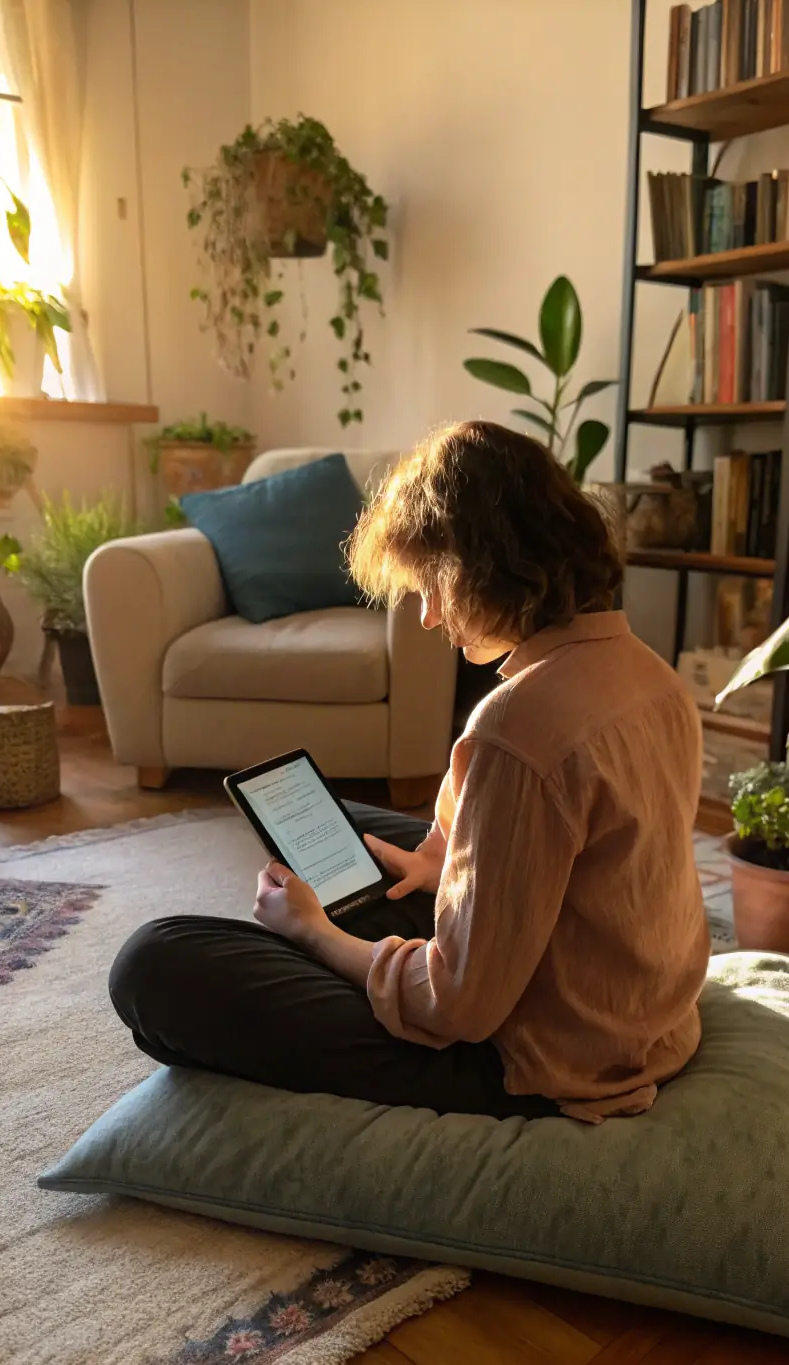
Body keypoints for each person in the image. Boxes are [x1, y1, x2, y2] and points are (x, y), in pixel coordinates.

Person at [110, 421, 710, 1123]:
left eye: (430, 584)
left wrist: (313, 934)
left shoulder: (519, 728)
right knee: (353, 834)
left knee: (154, 963)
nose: (426, 616)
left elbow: (458, 1005)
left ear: (481, 564)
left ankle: (317, 933)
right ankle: (374, 900)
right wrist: (442, 862)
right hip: (642, 1016)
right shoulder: (654, 678)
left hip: (542, 1060)